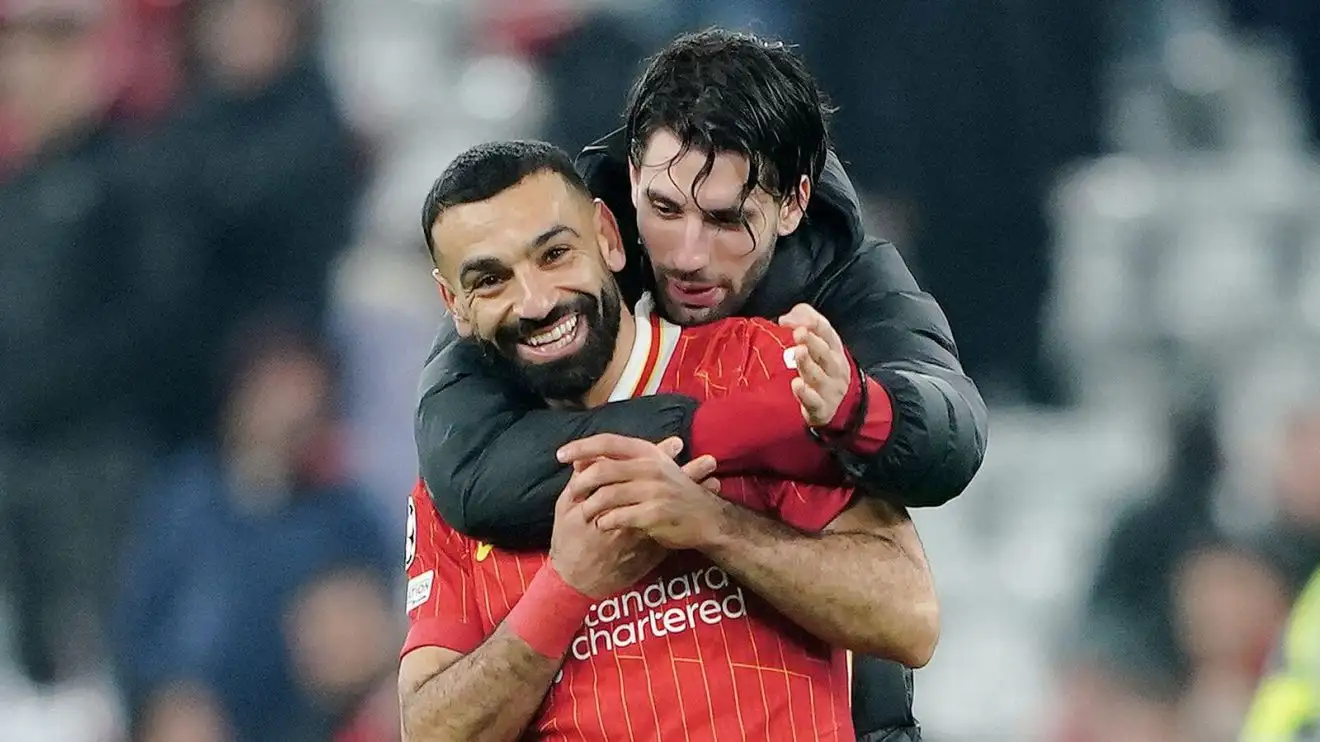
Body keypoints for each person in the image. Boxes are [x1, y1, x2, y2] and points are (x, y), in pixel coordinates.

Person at [415, 30, 986, 740]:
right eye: (664, 209)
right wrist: (721, 434)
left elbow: (917, 583)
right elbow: (461, 471)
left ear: (792, 205)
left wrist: (851, 414)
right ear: (622, 199)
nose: (687, 254)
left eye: (724, 221)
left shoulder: (796, 347)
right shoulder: (521, 325)